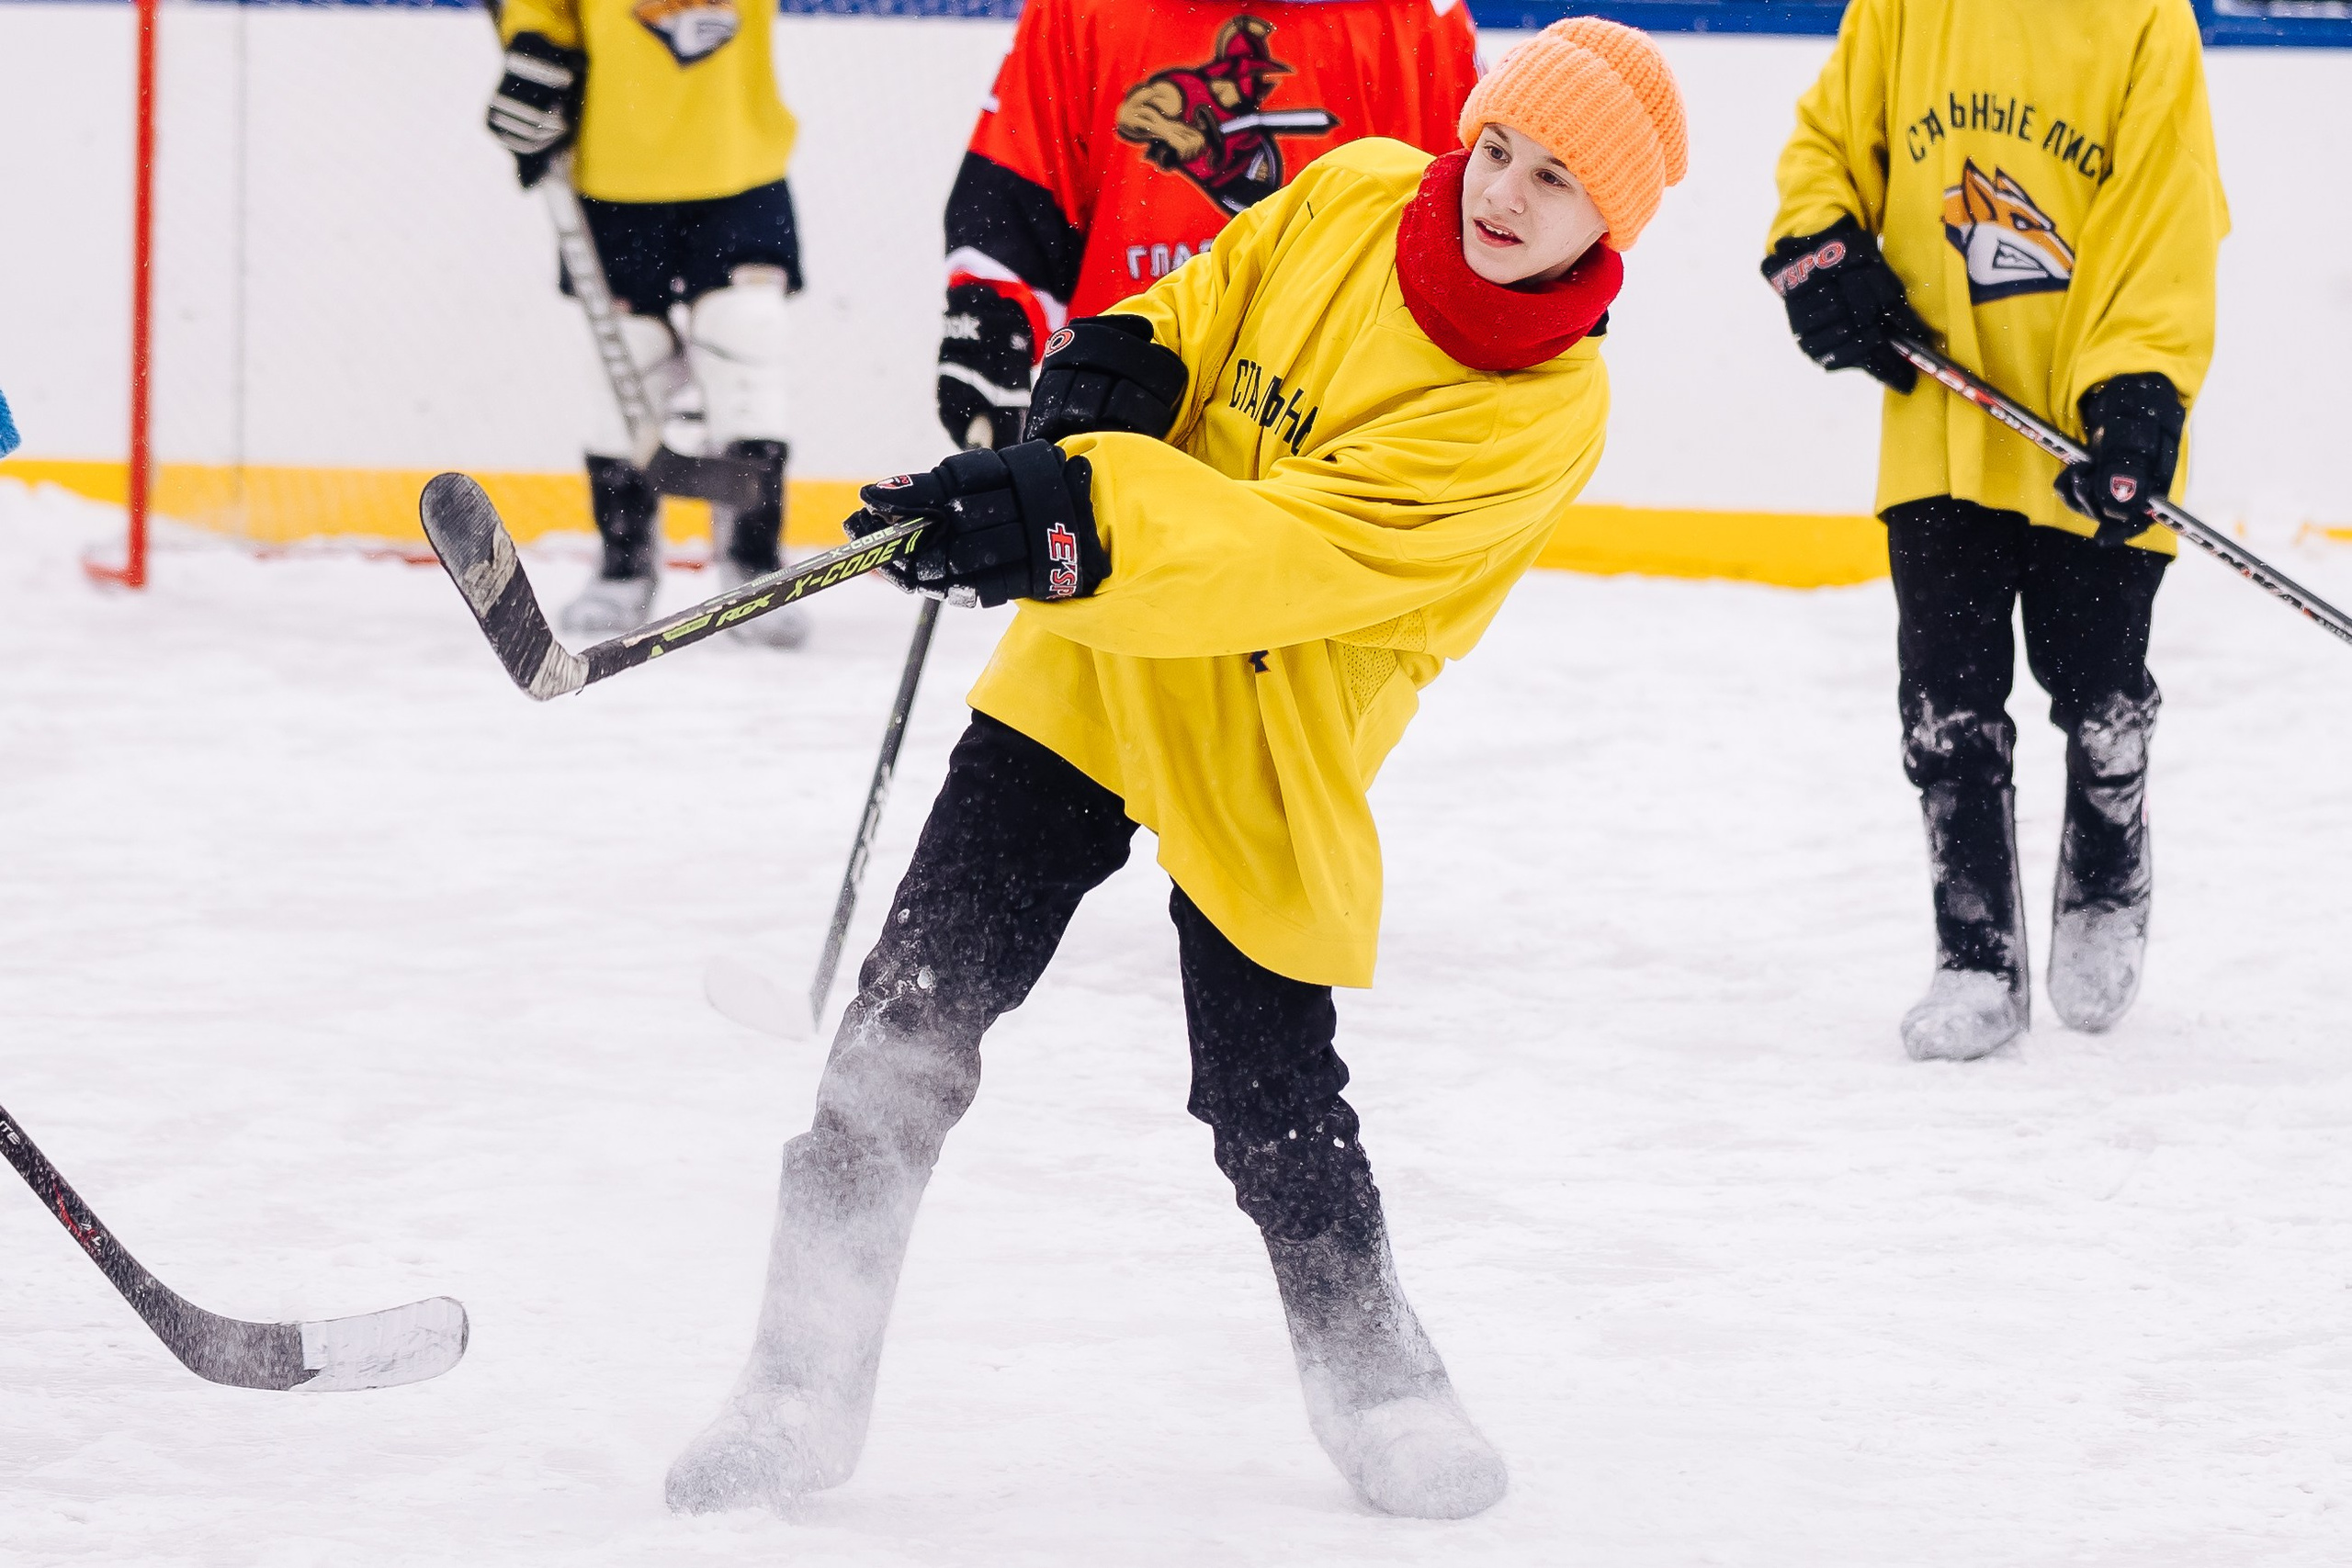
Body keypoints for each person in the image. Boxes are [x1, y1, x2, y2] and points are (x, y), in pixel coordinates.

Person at [665, 19, 1687, 1520]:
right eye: (1501, 149)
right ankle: (798, 1378)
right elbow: (1207, 298)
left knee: (1268, 1101)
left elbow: (1289, 553)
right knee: (909, 1014)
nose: (1506, 192)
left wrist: (1065, 520)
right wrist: (1113, 364)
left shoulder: (1539, 415)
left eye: (1558, 182)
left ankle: (1380, 1375)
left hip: (1264, 732)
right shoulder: (1354, 195)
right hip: (1088, 673)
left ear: (1613, 226)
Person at [1764, 0, 2227, 1060]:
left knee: (2098, 690)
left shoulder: (2144, 21)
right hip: (1942, 425)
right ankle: (1973, 954)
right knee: (1947, 708)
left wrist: (2137, 389)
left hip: (2088, 431)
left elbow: (2170, 217)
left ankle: (2107, 866)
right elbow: (1828, 145)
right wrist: (1820, 246)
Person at [936, 0, 1481, 453]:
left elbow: (1458, 228)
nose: (1255, 90)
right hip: (1122, 399)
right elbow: (1018, 193)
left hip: (1325, 422)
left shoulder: (1420, 17)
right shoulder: (1088, 11)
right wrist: (989, 336)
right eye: (1246, 79)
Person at [486, 0, 808, 646]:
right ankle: (624, 563)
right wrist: (535, 52)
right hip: (614, 173)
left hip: (738, 160)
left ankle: (753, 561)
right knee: (624, 367)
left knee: (748, 342)